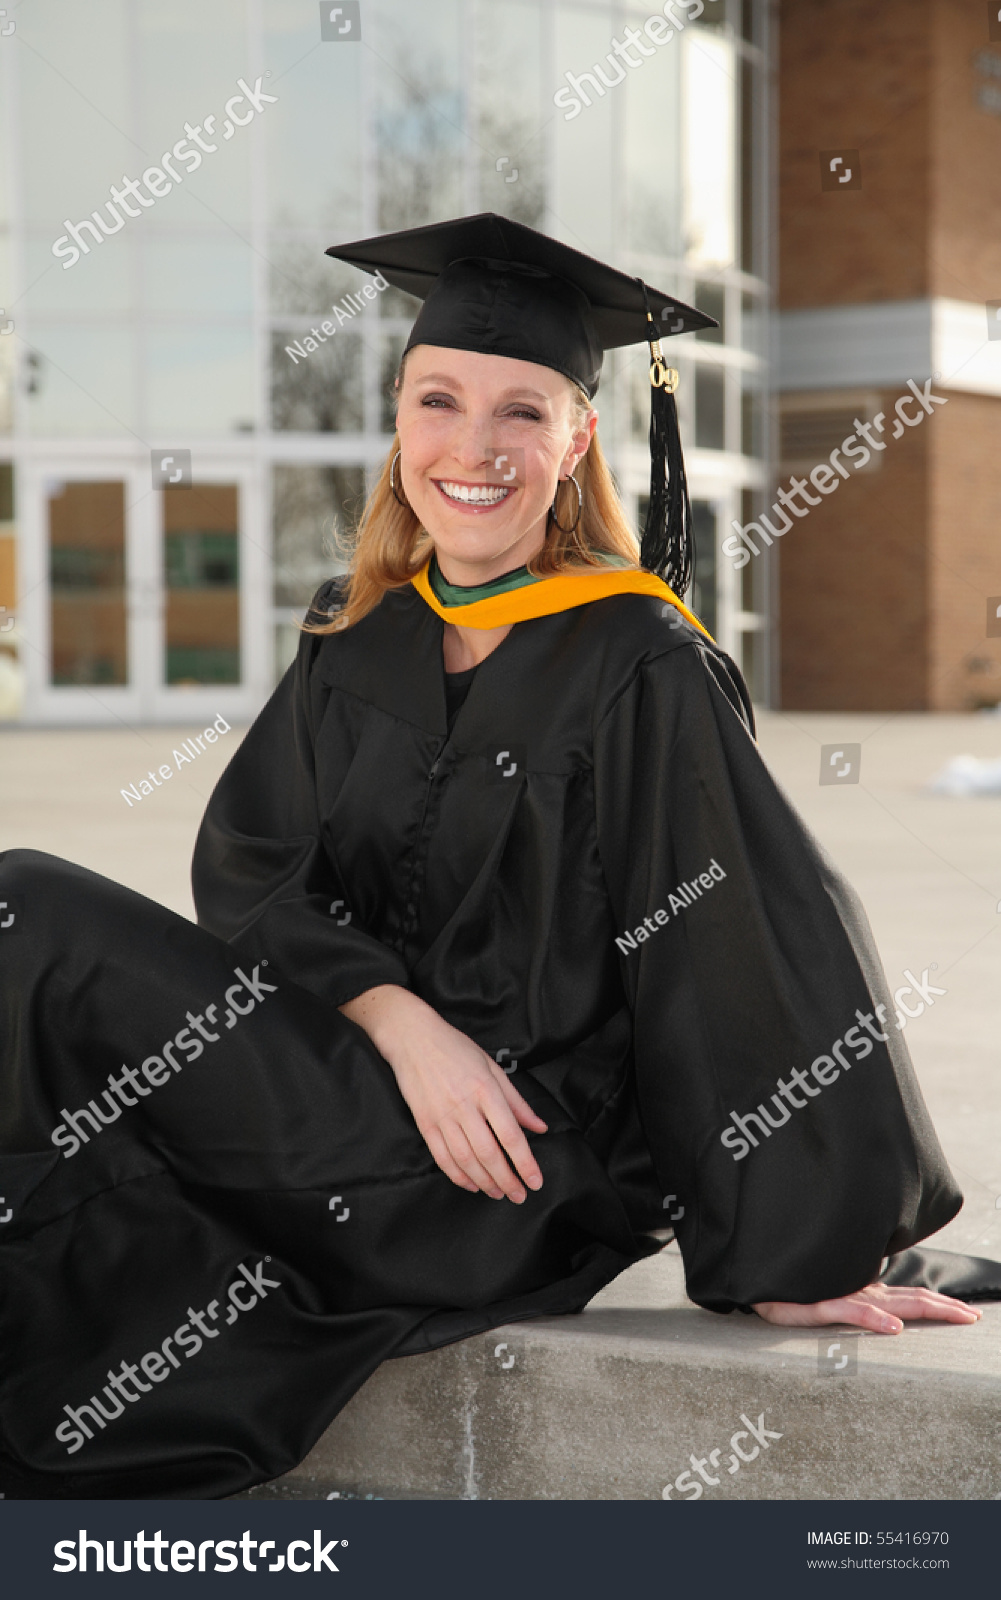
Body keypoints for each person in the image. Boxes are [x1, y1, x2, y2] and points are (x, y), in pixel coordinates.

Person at [0, 215, 996, 1501]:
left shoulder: (637, 661)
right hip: (358, 1100)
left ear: (578, 438)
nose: (473, 447)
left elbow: (742, 939)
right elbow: (254, 870)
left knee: (24, 902)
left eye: (520, 411)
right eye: (438, 400)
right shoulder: (354, 638)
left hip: (506, 1177)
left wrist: (802, 1243)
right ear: (398, 421)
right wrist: (400, 1019)